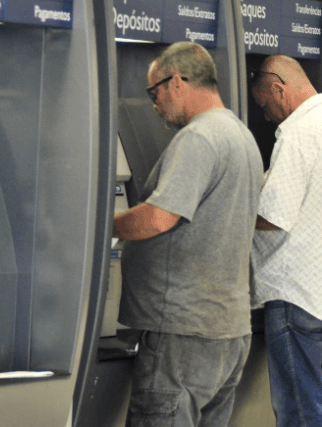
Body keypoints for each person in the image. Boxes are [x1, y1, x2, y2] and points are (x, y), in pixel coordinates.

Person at [113, 42, 263, 427]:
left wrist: (103, 227)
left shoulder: (199, 137)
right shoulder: (241, 136)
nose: (154, 105)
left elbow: (160, 217)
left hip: (183, 333)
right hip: (227, 330)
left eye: (155, 93)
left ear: (177, 82)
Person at [249, 55, 322, 427]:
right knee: (316, 401)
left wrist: (233, 214)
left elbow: (273, 216)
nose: (266, 115)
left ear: (278, 88)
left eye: (264, 104)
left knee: (298, 410)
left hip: (296, 293)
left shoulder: (298, 134)